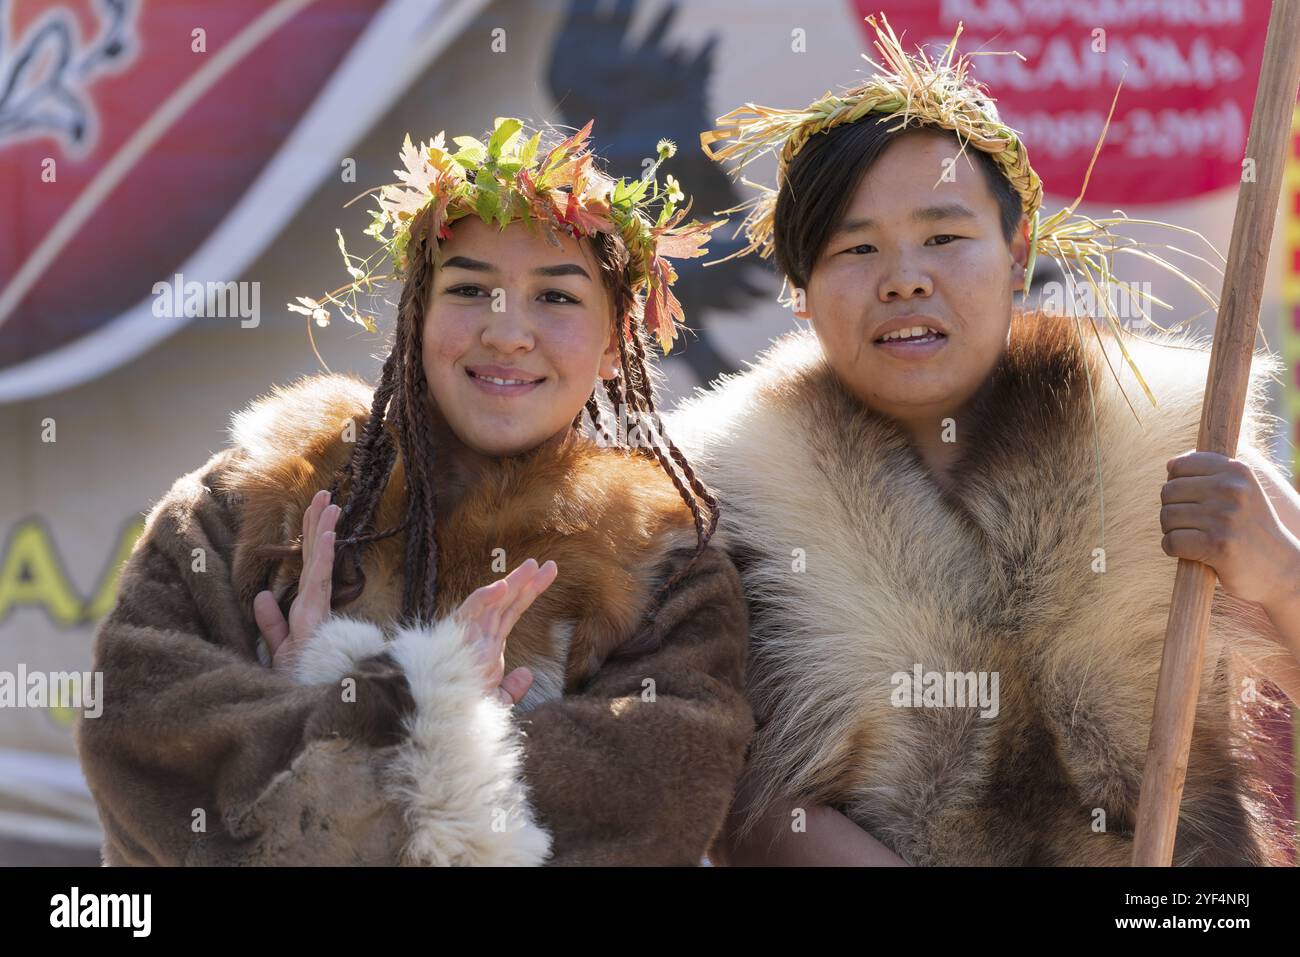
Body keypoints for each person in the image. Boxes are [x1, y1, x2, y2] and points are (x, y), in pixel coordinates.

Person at [679, 14, 1300, 865]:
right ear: (799, 288)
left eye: (943, 237)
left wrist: (1280, 570)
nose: (904, 278)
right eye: (855, 248)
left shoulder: (1171, 422)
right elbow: (733, 791)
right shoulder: (727, 488)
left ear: (1016, 255)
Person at [74, 118, 754, 866]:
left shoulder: (665, 563)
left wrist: (332, 701)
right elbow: (142, 731)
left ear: (614, 343)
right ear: (416, 317)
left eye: (556, 298)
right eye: (469, 289)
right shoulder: (257, 497)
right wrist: (437, 724)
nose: (507, 332)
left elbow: (653, 796)